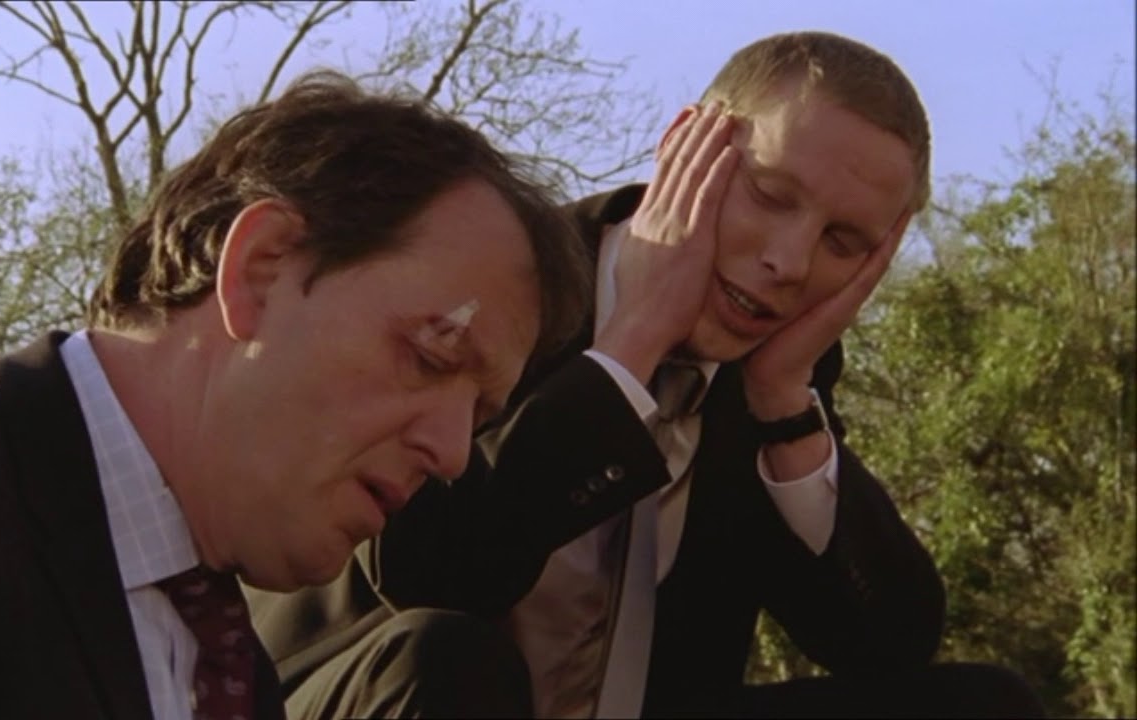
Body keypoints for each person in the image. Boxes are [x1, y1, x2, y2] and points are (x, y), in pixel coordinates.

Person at [246, 32, 1047, 718]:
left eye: (842, 243)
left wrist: (785, 407)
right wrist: (630, 347)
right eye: (770, 195)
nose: (789, 261)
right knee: (446, 653)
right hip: (376, 694)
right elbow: (429, 574)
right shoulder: (501, 277)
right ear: (683, 146)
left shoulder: (775, 373)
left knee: (985, 707)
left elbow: (889, 644)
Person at [0, 70, 593, 720]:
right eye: (432, 357)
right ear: (259, 268)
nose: (454, 453)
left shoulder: (234, 676)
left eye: (480, 413)